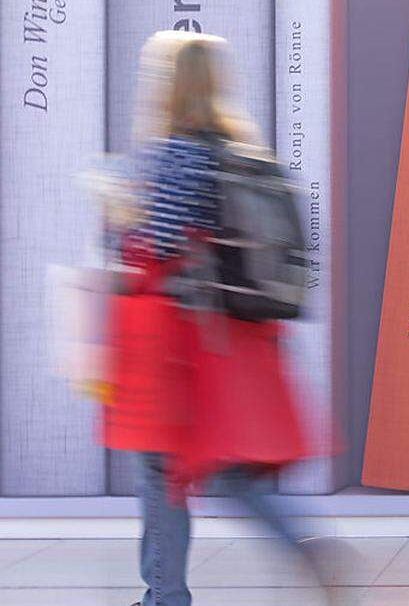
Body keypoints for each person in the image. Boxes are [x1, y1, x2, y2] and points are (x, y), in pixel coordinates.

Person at [105, 32, 322, 606]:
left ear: (168, 86)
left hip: (176, 345)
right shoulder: (240, 151)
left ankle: (165, 595)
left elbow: (149, 245)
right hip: (230, 342)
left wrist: (116, 214)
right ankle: (297, 550)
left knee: (163, 470)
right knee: (223, 471)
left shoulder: (173, 154)